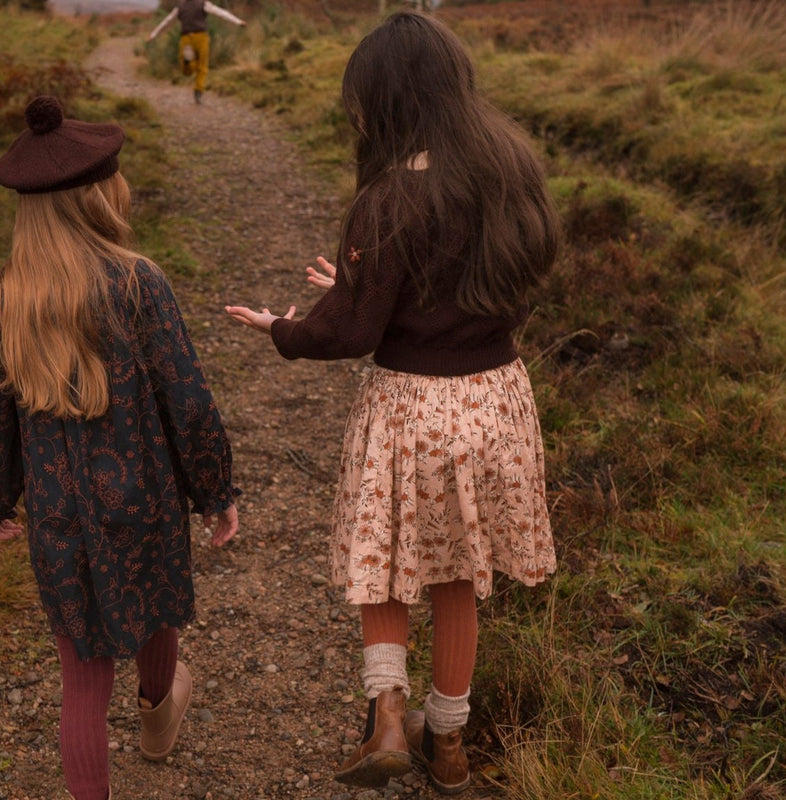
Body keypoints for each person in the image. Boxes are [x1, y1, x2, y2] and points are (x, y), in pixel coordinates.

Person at [226, 9, 559, 795]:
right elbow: (488, 284)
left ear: (384, 97)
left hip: (409, 407)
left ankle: (385, 716)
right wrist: (356, 287)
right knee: (457, 576)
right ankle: (448, 747)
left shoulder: (387, 198)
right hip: (493, 401)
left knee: (382, 567)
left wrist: (286, 326)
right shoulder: (512, 168)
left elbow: (347, 335)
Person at [0, 95, 239, 800]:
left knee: (82, 683)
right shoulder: (139, 282)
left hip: (56, 517)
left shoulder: (10, 300)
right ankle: (158, 714)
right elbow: (188, 400)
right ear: (99, 195)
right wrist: (214, 491)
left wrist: (1, 496)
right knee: (154, 607)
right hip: (143, 501)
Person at [146, 0, 247, 104]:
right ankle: (198, 91)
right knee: (202, 66)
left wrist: (153, 35)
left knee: (187, 70)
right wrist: (238, 22)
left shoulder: (180, 7)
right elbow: (221, 13)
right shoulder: (203, 4)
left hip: (186, 38)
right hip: (201, 37)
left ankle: (188, 63)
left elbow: (166, 22)